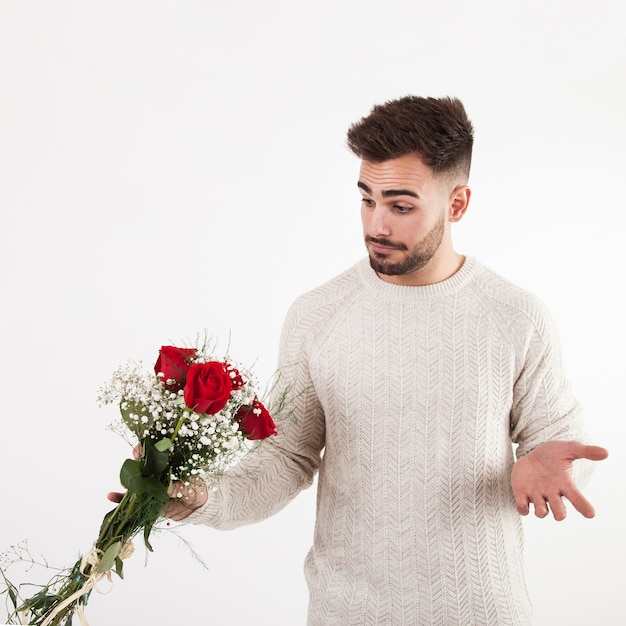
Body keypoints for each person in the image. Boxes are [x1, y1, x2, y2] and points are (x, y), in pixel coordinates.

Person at [161, 96, 609, 624]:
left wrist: (547, 465)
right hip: (348, 612)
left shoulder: (516, 316)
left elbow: (563, 448)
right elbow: (284, 459)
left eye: (400, 206)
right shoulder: (317, 315)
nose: (377, 223)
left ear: (457, 203)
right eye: (366, 199)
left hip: (483, 611)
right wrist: (203, 500)